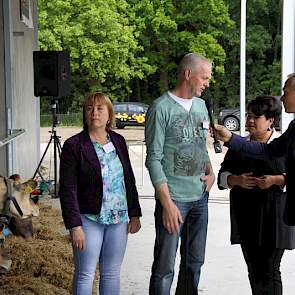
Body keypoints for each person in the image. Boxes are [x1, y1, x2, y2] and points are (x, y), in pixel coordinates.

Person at [58, 92, 142, 295]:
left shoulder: (119, 141)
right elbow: (67, 189)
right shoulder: (74, 146)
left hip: (118, 218)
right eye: (89, 108)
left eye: (100, 108)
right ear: (85, 114)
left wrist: (135, 213)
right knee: (85, 273)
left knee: (112, 273)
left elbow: (128, 179)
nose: (94, 112)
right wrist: (74, 225)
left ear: (109, 114)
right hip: (88, 219)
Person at [145, 53, 215, 295]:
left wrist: (211, 170)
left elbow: (200, 145)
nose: (207, 83)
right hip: (173, 200)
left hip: (200, 199)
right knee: (164, 269)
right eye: (204, 77)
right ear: (188, 74)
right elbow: (153, 159)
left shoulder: (201, 106)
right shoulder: (160, 108)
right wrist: (167, 204)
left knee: (193, 264)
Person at [217, 95, 295, 295]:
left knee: (270, 271)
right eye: (248, 116)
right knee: (254, 272)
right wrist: (236, 180)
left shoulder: (283, 144)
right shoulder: (241, 145)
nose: (250, 121)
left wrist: (276, 180)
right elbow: (222, 177)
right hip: (247, 218)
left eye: (256, 117)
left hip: (275, 220)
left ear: (271, 120)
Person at [214, 73, 295, 227]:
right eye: (248, 116)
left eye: (286, 92)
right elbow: (268, 151)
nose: (282, 98)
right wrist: (230, 138)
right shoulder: (293, 128)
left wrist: (276, 180)